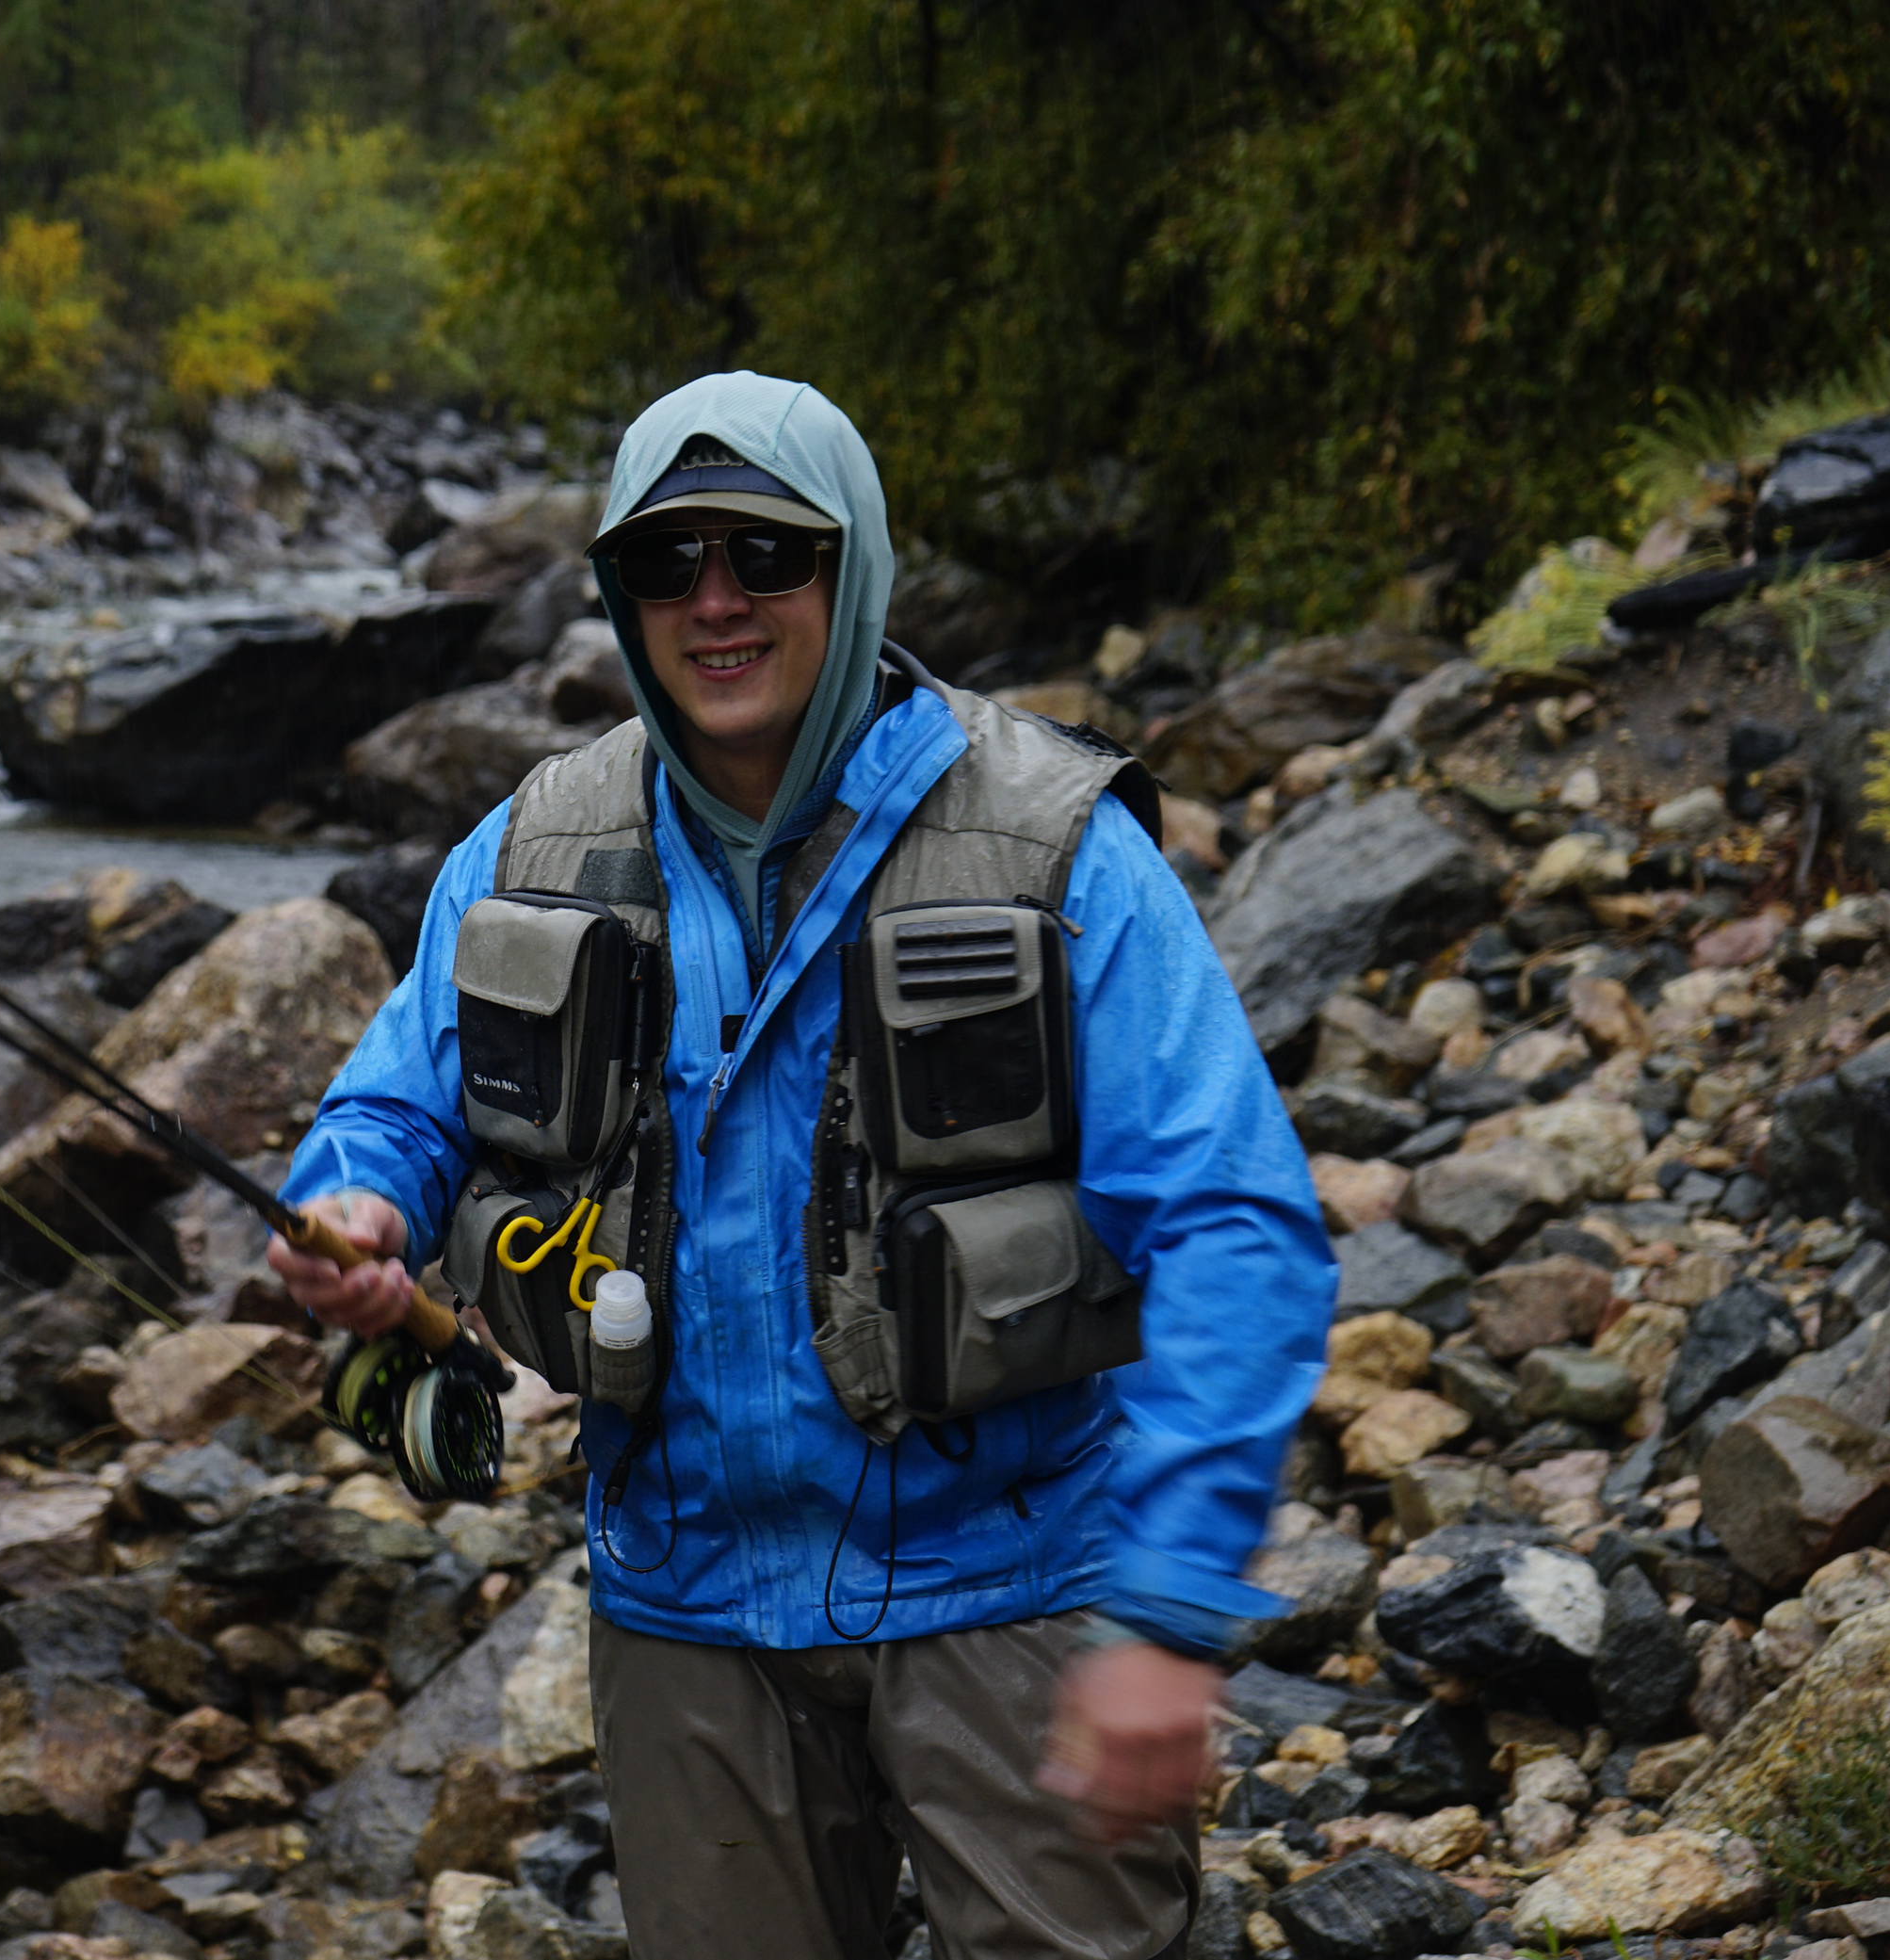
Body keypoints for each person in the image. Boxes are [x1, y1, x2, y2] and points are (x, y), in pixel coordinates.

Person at [265, 372, 1333, 1960]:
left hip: (1013, 1591)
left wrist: (1169, 1614)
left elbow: (1237, 1225)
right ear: (618, 592)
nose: (715, 601)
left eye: (766, 553)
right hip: (683, 1612)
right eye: (664, 560)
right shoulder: (532, 848)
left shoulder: (1053, 840)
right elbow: (398, 1107)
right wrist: (355, 1200)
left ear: (854, 563)